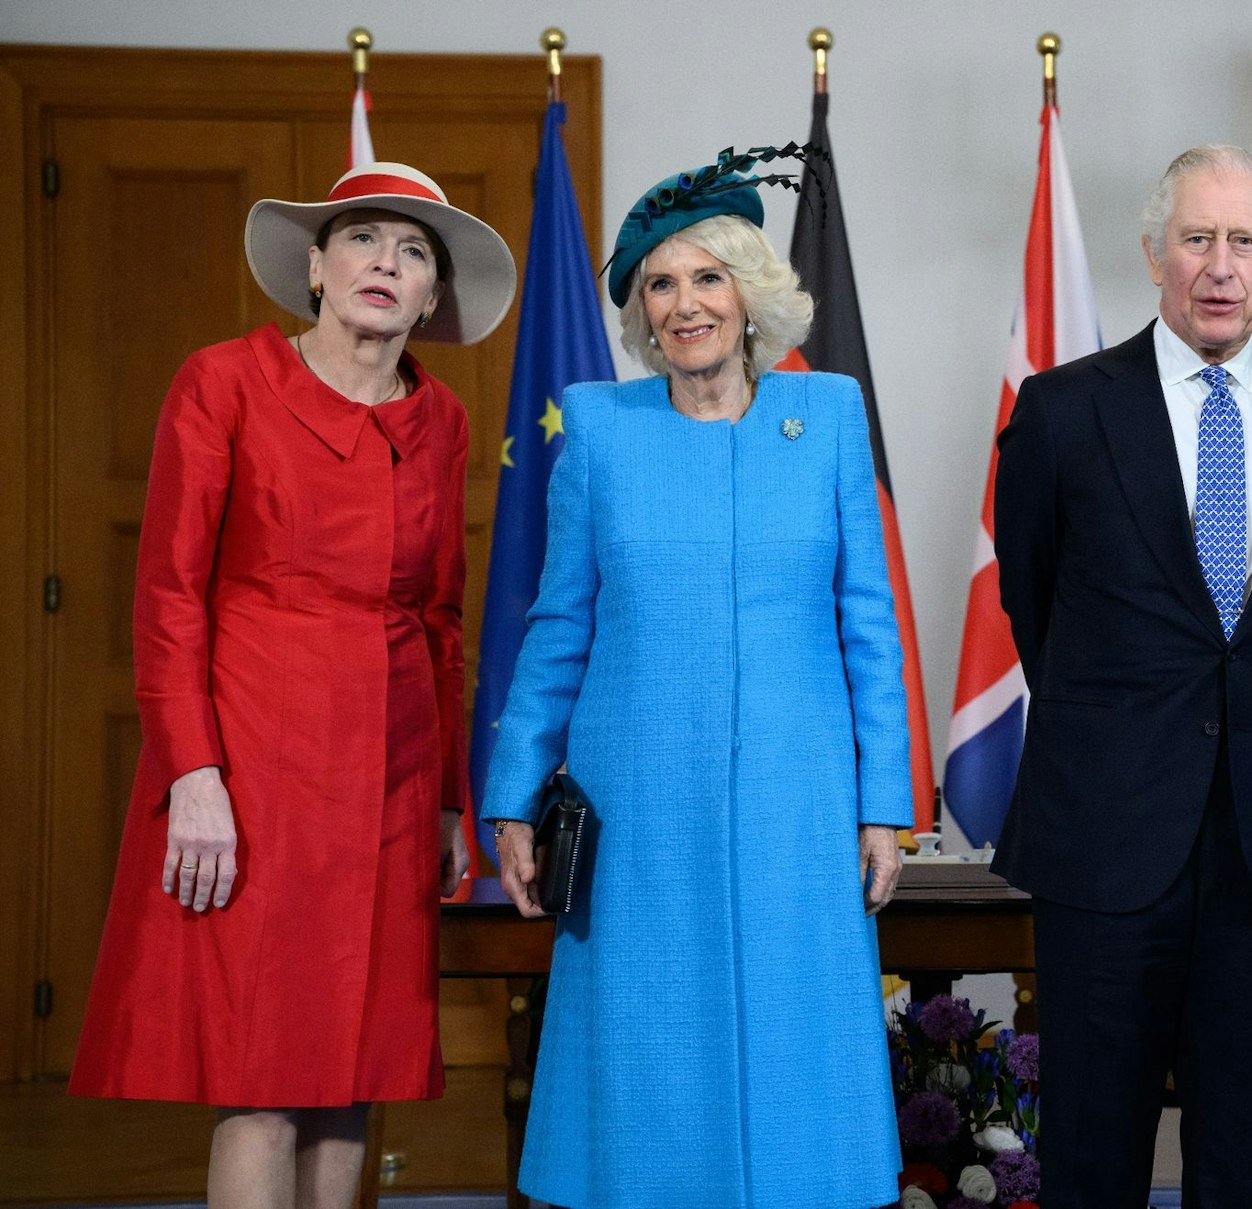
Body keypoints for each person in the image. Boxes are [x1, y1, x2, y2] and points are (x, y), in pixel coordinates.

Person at [68, 163, 517, 1205]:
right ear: (316, 267)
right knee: (262, 1077)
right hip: (253, 770)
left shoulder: (441, 420)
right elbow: (170, 593)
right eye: (363, 240)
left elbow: (442, 617)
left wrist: (450, 795)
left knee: (353, 1072)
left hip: (393, 784)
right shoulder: (221, 381)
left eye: (413, 253)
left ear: (429, 297)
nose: (385, 264)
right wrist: (194, 773)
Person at [478, 154, 911, 1209]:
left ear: (749, 292)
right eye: (658, 285)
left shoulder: (830, 420)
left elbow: (867, 624)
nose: (684, 306)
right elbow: (557, 627)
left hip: (795, 803)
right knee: (646, 1065)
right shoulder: (600, 427)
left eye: (706, 278)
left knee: (794, 1059)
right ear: (639, 310)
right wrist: (510, 798)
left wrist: (884, 803)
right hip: (635, 808)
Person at [991, 144, 1252, 1209]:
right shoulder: (1062, 410)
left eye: (1243, 242)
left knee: (1250, 1149)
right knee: (1094, 1143)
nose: (1218, 264)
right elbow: (1035, 605)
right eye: (1195, 238)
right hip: (1105, 832)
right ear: (1153, 253)